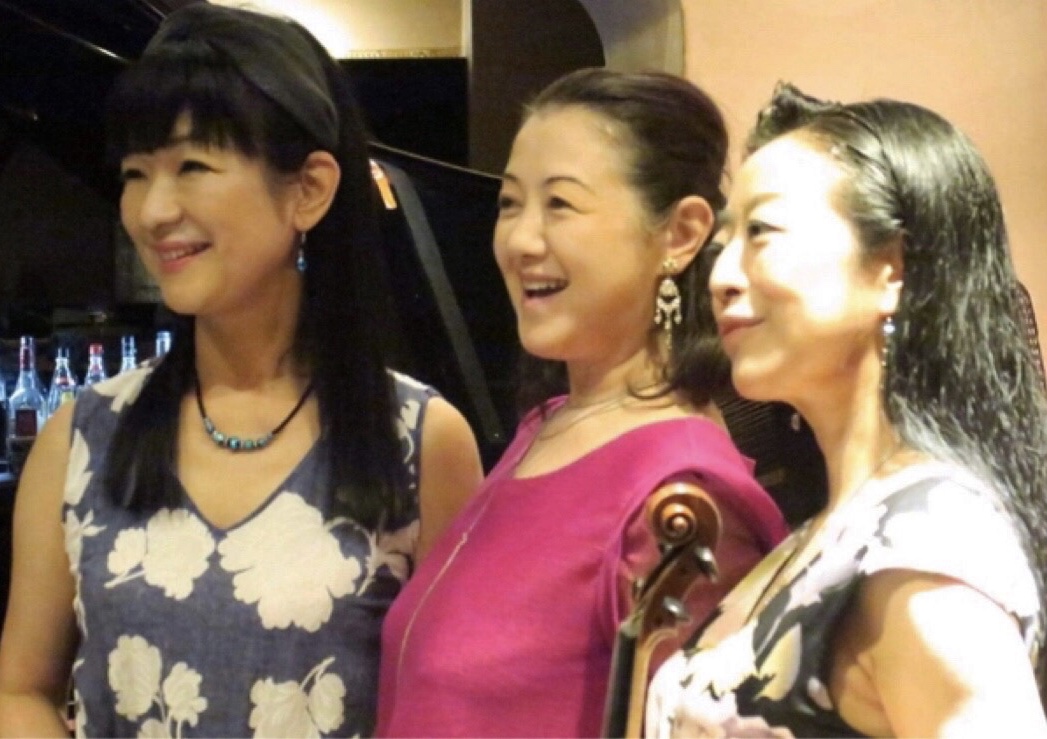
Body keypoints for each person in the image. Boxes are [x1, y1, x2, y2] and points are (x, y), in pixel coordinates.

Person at [0, 5, 483, 737]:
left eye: (192, 167)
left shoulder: (420, 439)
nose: (152, 210)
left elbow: (454, 708)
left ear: (309, 189)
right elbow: (21, 691)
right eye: (135, 174)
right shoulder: (82, 436)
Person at [377, 68, 788, 737]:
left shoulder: (682, 489)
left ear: (680, 233)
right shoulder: (546, 426)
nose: (520, 240)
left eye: (560, 204)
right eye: (510, 203)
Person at [646, 82, 1047, 737]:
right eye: (725, 242)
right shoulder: (837, 531)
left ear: (892, 268)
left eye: (762, 232)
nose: (721, 277)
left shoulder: (927, 547)